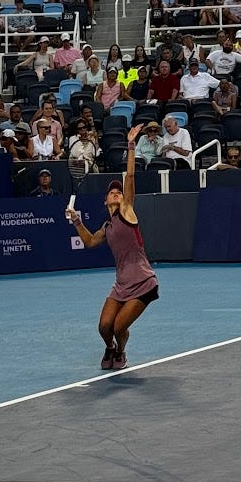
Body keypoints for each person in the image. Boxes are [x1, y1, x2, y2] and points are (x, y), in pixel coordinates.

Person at [67, 125, 160, 370]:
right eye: (113, 193)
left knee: (120, 326)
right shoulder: (107, 227)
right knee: (104, 326)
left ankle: (121, 351)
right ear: (105, 199)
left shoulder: (127, 212)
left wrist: (131, 144)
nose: (117, 194)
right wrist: (76, 220)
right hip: (121, 285)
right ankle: (110, 348)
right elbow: (88, 241)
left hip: (143, 282)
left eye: (119, 192)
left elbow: (129, 178)